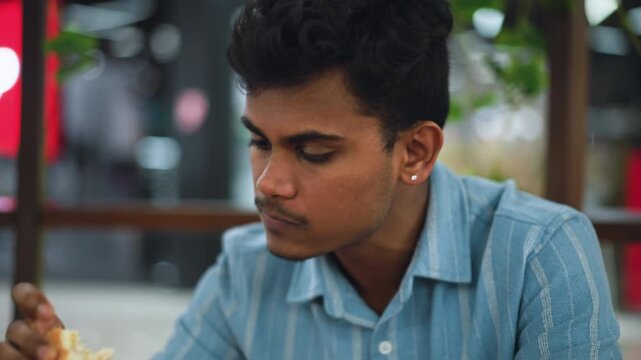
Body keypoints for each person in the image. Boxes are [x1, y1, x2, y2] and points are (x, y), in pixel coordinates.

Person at [2, 0, 622, 359]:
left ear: (415, 150)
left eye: (314, 152)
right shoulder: (247, 272)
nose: (270, 183)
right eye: (258, 141)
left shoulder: (538, 256)